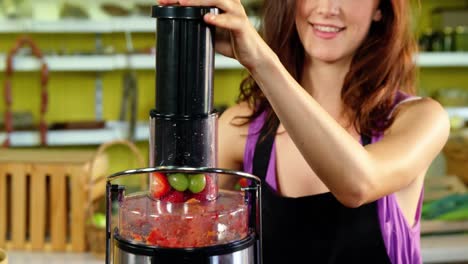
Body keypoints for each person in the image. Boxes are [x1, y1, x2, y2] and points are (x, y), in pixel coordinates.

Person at [158, 0, 450, 263]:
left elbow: (359, 183)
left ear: (380, 9)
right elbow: (178, 225)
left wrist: (260, 59)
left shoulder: (419, 119)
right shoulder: (241, 127)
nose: (328, 8)